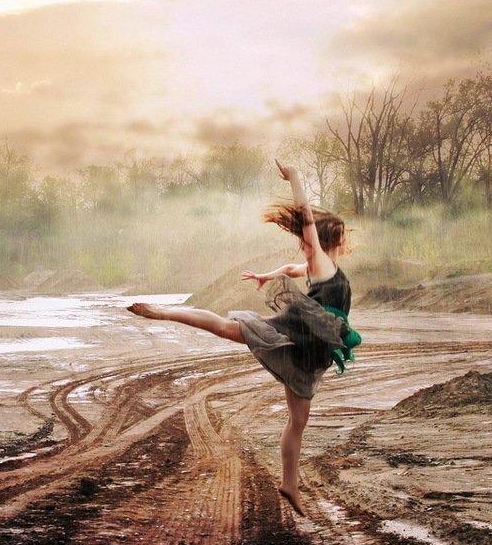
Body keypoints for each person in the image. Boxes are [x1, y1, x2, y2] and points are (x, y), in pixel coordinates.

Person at [127, 160, 355, 515]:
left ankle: (289, 483)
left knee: (297, 420)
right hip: (297, 335)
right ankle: (162, 312)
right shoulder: (324, 264)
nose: (305, 245)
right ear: (334, 240)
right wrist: (295, 178)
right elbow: (307, 220)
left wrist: (268, 274)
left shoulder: (318, 266)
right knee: (226, 330)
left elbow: (292, 268)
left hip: (307, 349)